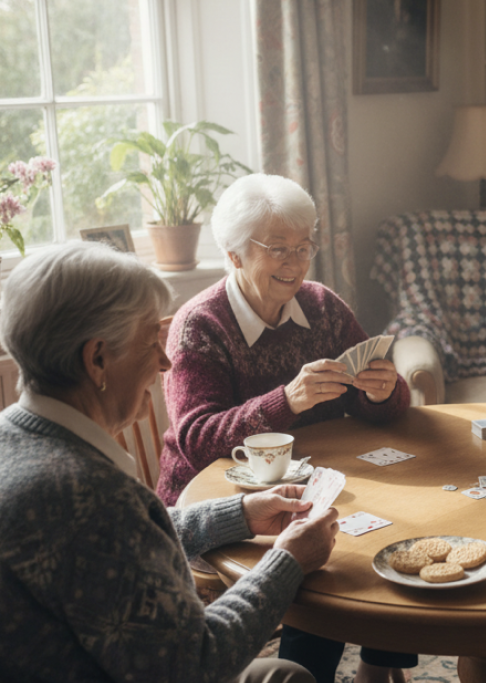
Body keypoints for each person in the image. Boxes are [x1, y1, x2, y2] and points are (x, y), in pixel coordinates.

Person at [0, 241, 339, 682]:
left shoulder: (15, 432)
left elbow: (122, 543)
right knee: (290, 676)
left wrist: (239, 514)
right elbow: (195, 663)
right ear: (97, 358)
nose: (164, 362)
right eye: (149, 342)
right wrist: (288, 561)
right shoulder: (94, 496)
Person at [155, 173, 413, 683]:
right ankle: (303, 674)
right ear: (233, 254)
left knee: (401, 527)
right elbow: (199, 439)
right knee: (327, 554)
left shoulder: (321, 305)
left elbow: (386, 405)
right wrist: (286, 401)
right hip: (215, 502)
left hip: (317, 480)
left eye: (303, 246)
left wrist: (383, 392)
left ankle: (379, 665)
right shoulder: (199, 326)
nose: (295, 263)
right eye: (278, 249)